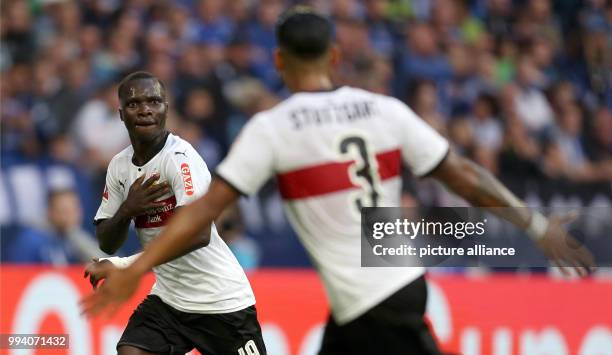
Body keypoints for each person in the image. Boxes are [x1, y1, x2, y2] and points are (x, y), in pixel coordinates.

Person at [82, 8, 594, 355]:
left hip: (369, 303)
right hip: (394, 289)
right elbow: (462, 173)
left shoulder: (274, 127)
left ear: (279, 61)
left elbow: (203, 213)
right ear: (334, 57)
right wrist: (532, 223)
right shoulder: (384, 109)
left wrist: (135, 263)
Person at [85, 71, 266, 355]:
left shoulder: (181, 159)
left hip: (220, 301)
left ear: (166, 110)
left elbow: (197, 234)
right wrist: (127, 210)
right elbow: (107, 241)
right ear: (121, 114)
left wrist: (125, 267)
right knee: (131, 351)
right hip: (169, 300)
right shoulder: (119, 168)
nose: (145, 109)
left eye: (154, 102)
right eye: (134, 104)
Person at [5, 188, 105, 265]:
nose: (71, 216)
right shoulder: (31, 240)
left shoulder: (74, 237)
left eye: (74, 210)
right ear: (50, 212)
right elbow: (17, 274)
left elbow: (102, 261)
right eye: (64, 211)